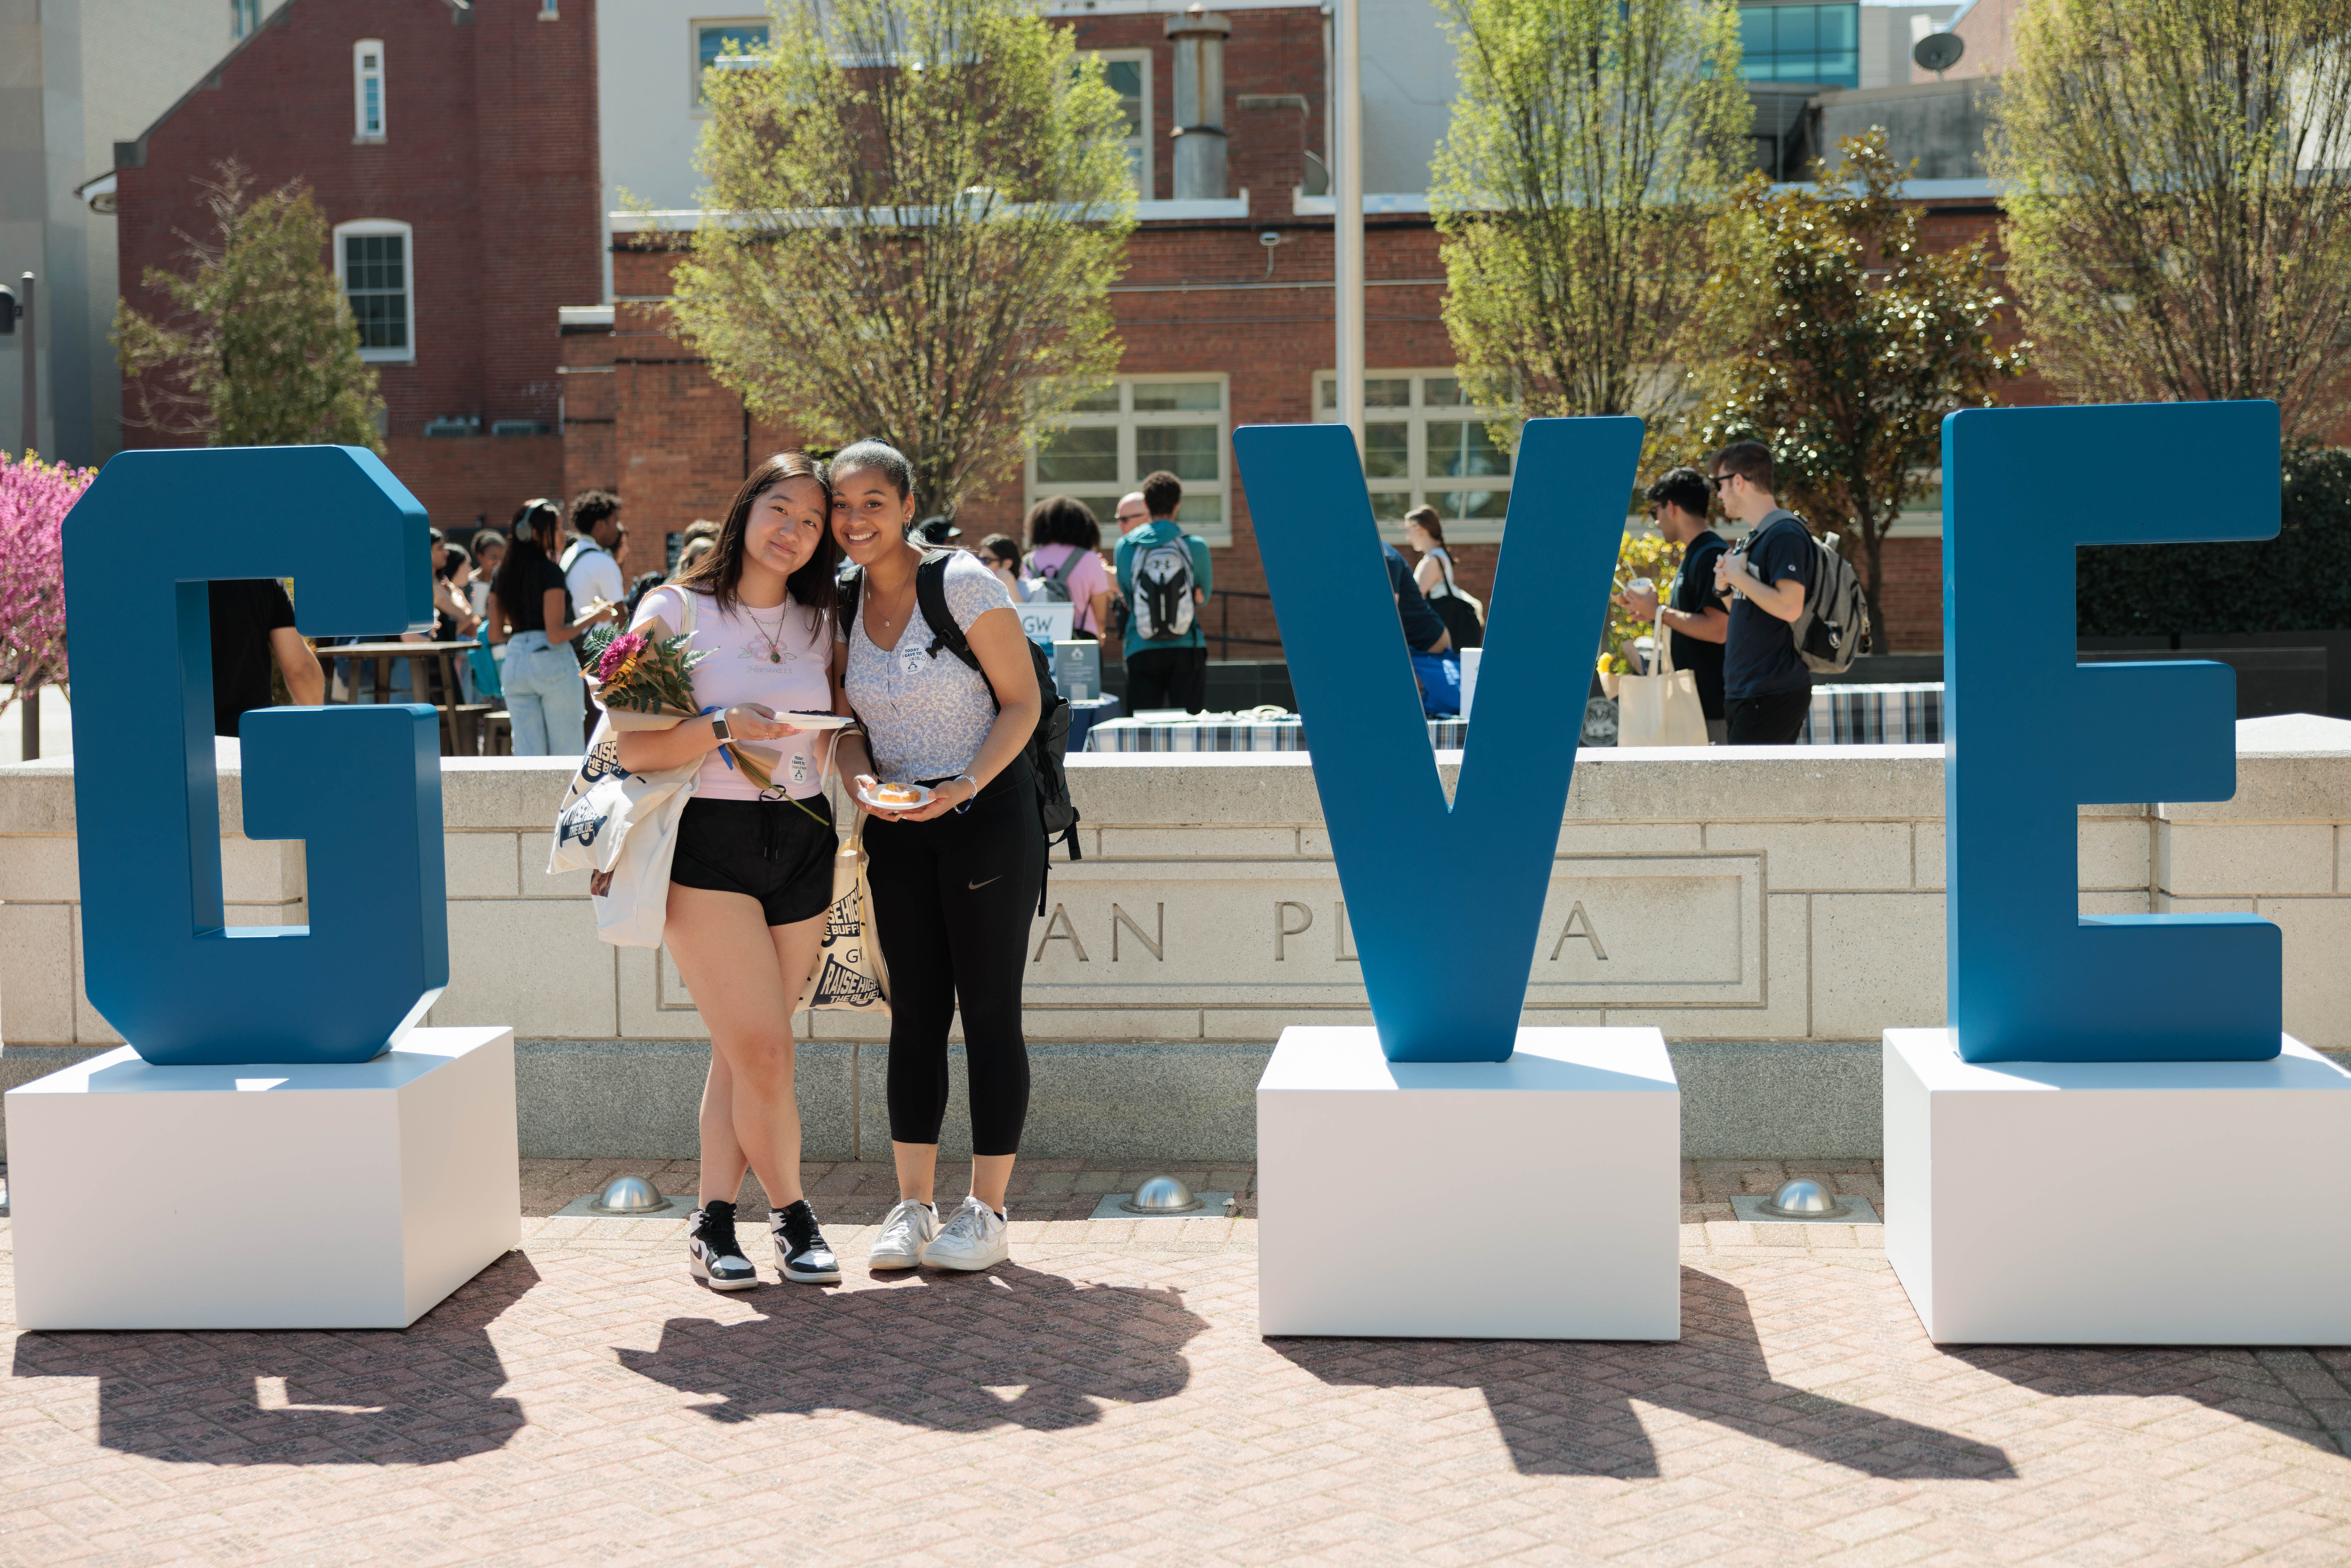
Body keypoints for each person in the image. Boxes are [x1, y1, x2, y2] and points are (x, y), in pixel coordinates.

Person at [613, 452, 847, 1290]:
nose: (793, 530)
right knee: (766, 1050)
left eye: (812, 521)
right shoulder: (673, 607)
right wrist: (718, 724)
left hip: (805, 832)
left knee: (746, 1050)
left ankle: (713, 1221)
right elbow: (629, 736)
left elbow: (842, 729)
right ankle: (793, 1215)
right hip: (705, 840)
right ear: (746, 510)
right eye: (780, 509)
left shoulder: (822, 619)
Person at [827, 438, 1045, 1275]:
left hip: (985, 815)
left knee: (989, 1011)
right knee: (915, 1014)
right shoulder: (839, 600)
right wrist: (860, 781)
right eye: (841, 505)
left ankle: (986, 1210)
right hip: (896, 826)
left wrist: (962, 783)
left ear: (907, 505)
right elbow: (846, 721)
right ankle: (912, 1205)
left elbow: (1021, 702)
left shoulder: (960, 583)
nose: (855, 520)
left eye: (872, 501)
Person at [485, 498, 615, 754]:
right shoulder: (550, 572)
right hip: (551, 663)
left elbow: (495, 633)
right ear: (534, 533)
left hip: (515, 664)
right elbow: (556, 634)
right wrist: (596, 616)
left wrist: (527, 632)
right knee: (566, 756)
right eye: (556, 528)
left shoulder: (501, 574)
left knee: (528, 758)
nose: (562, 533)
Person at [1708, 442, 1814, 745]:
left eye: (1720, 484)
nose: (1718, 494)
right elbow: (1747, 610)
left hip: (1771, 692)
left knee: (1745, 793)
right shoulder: (1757, 538)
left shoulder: (1784, 534)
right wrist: (1725, 584)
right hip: (1749, 692)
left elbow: (1790, 606)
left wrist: (1739, 575)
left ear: (1738, 481)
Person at [1615, 467, 1731, 742]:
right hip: (1696, 707)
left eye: (1655, 511)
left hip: (1710, 711)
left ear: (1671, 507)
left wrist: (1658, 612)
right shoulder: (1698, 553)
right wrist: (1652, 614)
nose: (1656, 522)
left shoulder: (1709, 555)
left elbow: (1719, 629)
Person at [1113, 471, 1214, 712]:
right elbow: (1204, 597)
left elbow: (1128, 597)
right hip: (1187, 646)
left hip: (1141, 645)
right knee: (1190, 730)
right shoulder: (1195, 546)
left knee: (1142, 732)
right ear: (1177, 505)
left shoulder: (1126, 546)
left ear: (1146, 505)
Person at [208, 578, 324, 738]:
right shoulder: (263, 578)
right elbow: (301, 669)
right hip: (247, 737)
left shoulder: (166, 574)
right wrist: (321, 731)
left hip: (176, 739)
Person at [1383, 540, 1458, 716]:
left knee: (1437, 695)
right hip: (1413, 640)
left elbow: (1388, 614)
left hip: (1428, 639)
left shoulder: (1388, 558)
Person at [1023, 496, 1114, 640]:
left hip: (1039, 640)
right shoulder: (1090, 559)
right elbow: (1100, 614)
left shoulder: (1029, 560)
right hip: (1081, 637)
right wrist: (1101, 635)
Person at [1404, 506, 1482, 653]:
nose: (1408, 537)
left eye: (1409, 531)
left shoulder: (1432, 561)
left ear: (1420, 529)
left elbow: (1414, 600)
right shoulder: (1440, 556)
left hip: (1437, 636)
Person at [560, 489, 626, 618]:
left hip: (575, 637)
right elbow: (620, 621)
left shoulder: (569, 553)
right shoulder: (604, 562)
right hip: (601, 638)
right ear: (600, 526)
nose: (618, 528)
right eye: (615, 522)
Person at [466, 529, 507, 702]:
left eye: (502, 558)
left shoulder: (505, 582)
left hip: (499, 645)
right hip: (475, 648)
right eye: (493, 557)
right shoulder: (469, 583)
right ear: (480, 556)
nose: (498, 562)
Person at [977, 534, 1033, 599]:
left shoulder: (1034, 590)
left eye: (986, 560)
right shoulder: (977, 589)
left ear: (1007, 564)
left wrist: (1012, 589)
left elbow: (1022, 610)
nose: (981, 565)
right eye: (979, 559)